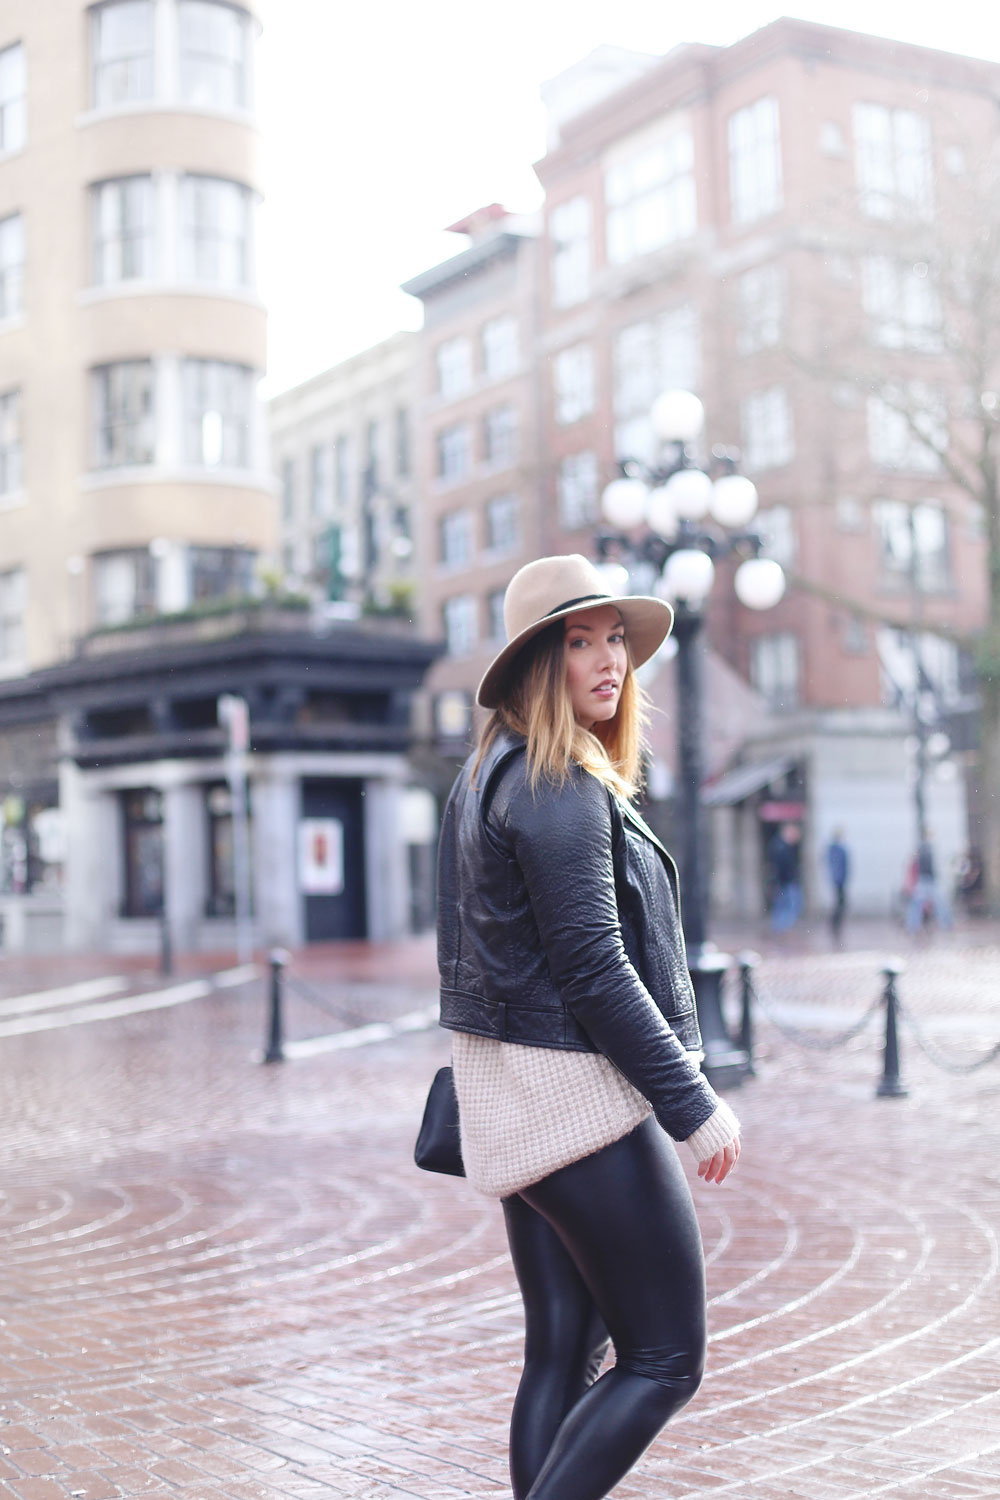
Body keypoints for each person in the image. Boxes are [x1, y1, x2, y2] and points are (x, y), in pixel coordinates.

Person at [436, 554, 741, 1500]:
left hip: (516, 1102)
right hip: (576, 1105)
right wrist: (694, 1105)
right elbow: (594, 966)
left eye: (616, 639)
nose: (609, 660)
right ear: (540, 662)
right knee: (665, 1359)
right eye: (580, 642)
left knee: (563, 1354)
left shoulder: (489, 771)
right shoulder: (557, 782)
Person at [905, 833, 952, 932]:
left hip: (927, 880)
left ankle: (913, 926)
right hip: (926, 880)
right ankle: (913, 926)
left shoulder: (925, 849)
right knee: (935, 902)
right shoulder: (924, 849)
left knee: (923, 903)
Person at [767, 821, 802, 933]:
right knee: (789, 906)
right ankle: (782, 928)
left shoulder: (782, 846)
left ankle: (781, 928)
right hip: (785, 882)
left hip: (784, 882)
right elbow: (778, 867)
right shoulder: (781, 848)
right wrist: (776, 883)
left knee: (783, 906)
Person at [825, 828, 850, 942]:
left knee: (839, 903)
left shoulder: (833, 849)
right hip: (839, 880)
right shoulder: (837, 849)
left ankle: (835, 924)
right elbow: (839, 865)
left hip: (839, 879)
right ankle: (834, 924)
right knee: (840, 903)